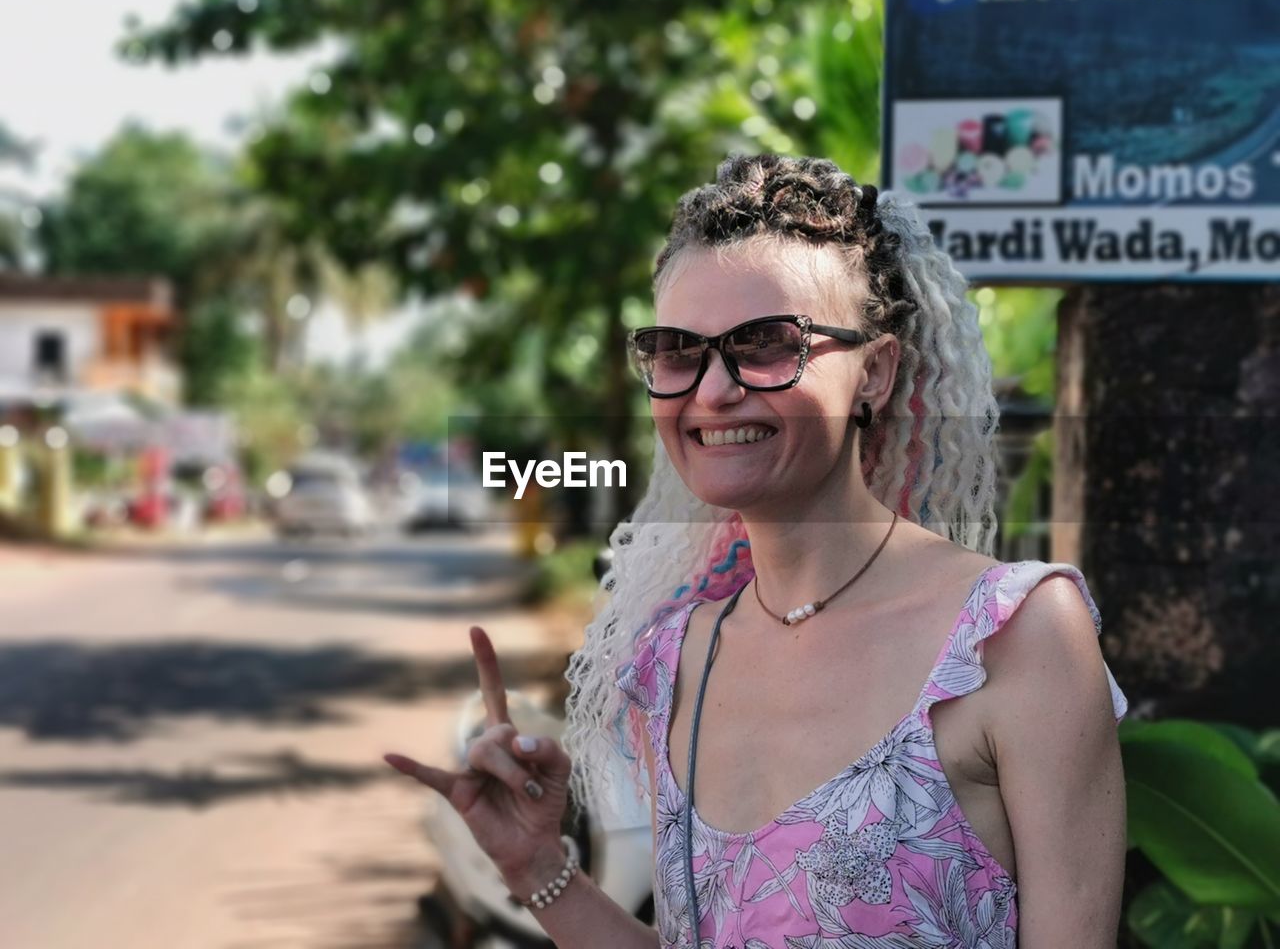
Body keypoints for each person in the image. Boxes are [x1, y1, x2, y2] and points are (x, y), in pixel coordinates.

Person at [384, 153, 1130, 948]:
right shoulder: (673, 660)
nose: (712, 392)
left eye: (767, 343)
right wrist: (536, 867)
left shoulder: (1013, 637)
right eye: (677, 350)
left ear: (874, 373)